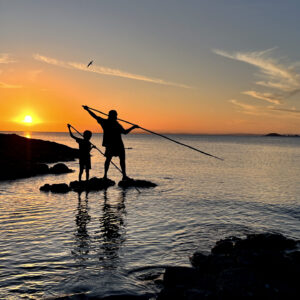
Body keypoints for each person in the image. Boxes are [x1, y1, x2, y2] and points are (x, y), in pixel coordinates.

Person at [83, 106, 139, 180]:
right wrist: (133, 127)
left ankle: (113, 175)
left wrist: (88, 110)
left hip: (113, 144)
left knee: (112, 160)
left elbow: (95, 117)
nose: (116, 117)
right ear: (113, 116)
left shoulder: (108, 123)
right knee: (116, 160)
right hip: (116, 144)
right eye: (116, 115)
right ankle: (119, 176)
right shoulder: (112, 123)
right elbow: (125, 132)